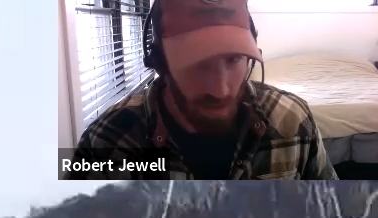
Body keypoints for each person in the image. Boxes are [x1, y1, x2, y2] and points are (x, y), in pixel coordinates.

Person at [73, 0, 335, 180]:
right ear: (160, 64)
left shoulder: (294, 121)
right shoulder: (106, 143)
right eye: (198, 63)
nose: (220, 90)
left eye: (233, 59)